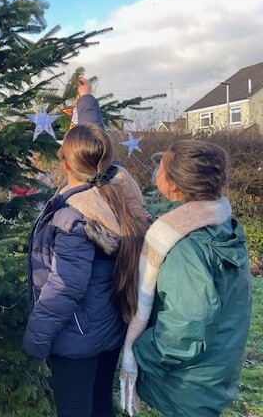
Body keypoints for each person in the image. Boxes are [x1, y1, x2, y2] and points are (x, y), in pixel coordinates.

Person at [23, 77, 149, 417]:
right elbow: (93, 137)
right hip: (110, 326)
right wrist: (85, 99)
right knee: (99, 404)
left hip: (76, 337)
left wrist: (36, 339)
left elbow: (65, 286)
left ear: (65, 165)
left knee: (77, 408)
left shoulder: (73, 217)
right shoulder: (116, 186)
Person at [120, 140, 252, 417]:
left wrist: (143, 351)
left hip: (190, 379)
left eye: (161, 167)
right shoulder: (221, 224)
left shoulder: (183, 245)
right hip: (214, 367)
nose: (155, 171)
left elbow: (188, 324)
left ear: (176, 184)